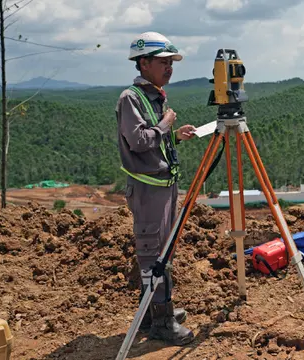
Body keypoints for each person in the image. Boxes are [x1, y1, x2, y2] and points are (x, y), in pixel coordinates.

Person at [115, 31, 197, 346]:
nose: (169, 68)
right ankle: (161, 324)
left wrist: (175, 136)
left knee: (162, 252)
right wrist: (166, 125)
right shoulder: (130, 98)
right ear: (144, 63)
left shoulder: (155, 95)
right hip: (148, 190)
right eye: (163, 62)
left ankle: (152, 314)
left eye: (171, 62)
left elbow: (152, 143)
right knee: (153, 254)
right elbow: (137, 142)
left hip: (163, 187)